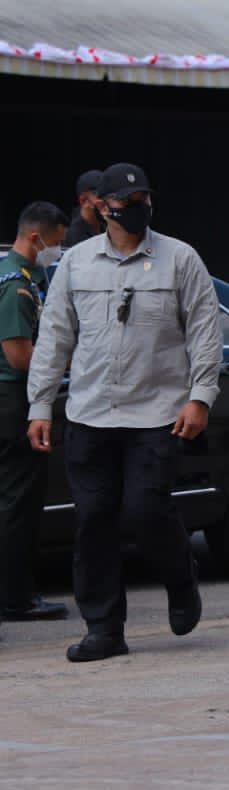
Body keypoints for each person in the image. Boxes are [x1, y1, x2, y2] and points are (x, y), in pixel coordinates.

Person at [27, 163, 220, 662]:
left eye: (144, 201)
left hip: (156, 412)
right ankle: (105, 629)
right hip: (91, 411)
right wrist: (41, 404)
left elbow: (204, 332)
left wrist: (201, 396)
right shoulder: (76, 262)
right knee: (93, 520)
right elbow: (54, 336)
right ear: (101, 208)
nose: (137, 210)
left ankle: (181, 578)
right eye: (127, 203)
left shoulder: (181, 258)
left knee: (145, 509)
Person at [0, 202, 70, 624]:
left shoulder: (28, 276)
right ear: (35, 238)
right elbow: (18, 354)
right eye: (56, 244)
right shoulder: (16, 285)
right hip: (13, 402)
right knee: (18, 505)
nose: (56, 252)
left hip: (13, 400)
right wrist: (67, 360)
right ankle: (16, 598)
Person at [63, 169, 103, 248]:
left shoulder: (107, 225)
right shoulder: (71, 235)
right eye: (101, 196)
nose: (107, 201)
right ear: (83, 201)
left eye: (109, 195)